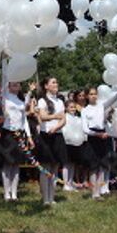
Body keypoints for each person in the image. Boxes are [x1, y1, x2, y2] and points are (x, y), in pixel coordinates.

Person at [81, 86, 117, 199]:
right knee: (93, 166)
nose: (93, 96)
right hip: (93, 136)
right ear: (87, 96)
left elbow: (112, 100)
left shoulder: (101, 106)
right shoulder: (85, 110)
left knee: (102, 165)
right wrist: (97, 135)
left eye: (95, 94)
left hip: (102, 135)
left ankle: (99, 191)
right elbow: (85, 129)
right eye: (91, 94)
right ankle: (94, 192)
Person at [0, 80, 34, 202]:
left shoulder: (20, 101)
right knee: (8, 163)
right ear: (8, 86)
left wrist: (29, 136)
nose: (16, 86)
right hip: (8, 133)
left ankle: (14, 193)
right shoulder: (5, 97)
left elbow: (24, 120)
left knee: (16, 164)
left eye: (18, 84)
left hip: (20, 133)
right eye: (14, 84)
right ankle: (6, 192)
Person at [35, 77, 67, 205]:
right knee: (45, 168)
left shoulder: (60, 101)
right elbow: (42, 116)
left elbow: (64, 119)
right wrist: (54, 117)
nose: (56, 84)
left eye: (56, 82)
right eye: (53, 82)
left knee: (55, 167)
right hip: (45, 136)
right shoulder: (42, 101)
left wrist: (57, 126)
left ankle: (52, 197)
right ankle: (45, 198)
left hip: (57, 135)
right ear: (46, 86)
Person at [61, 99, 86, 192]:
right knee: (66, 164)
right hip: (67, 142)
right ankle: (66, 184)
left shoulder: (77, 118)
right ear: (66, 108)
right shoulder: (65, 117)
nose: (73, 109)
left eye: (74, 107)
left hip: (76, 143)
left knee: (73, 163)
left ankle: (71, 182)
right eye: (71, 107)